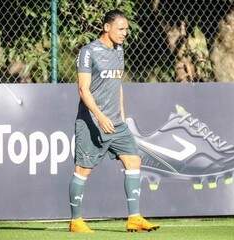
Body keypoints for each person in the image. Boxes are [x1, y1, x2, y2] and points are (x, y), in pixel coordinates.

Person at [69, 9, 159, 233]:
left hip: (117, 124)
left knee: (134, 161)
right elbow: (83, 89)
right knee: (83, 170)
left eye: (127, 29)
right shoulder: (88, 52)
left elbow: (117, 85)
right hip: (92, 122)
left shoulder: (119, 51)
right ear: (106, 27)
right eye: (121, 28)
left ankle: (134, 218)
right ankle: (76, 221)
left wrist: (121, 115)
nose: (125, 33)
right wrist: (100, 117)